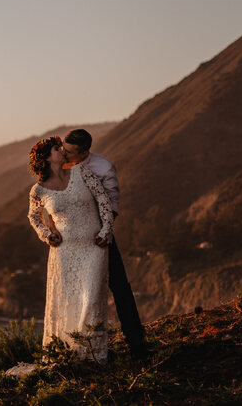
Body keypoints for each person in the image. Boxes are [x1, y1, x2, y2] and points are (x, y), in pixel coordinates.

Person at [27, 135, 115, 363]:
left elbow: (104, 200)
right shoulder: (38, 191)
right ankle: (70, 354)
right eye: (57, 149)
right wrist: (47, 234)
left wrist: (106, 230)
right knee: (70, 301)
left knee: (92, 299)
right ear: (46, 158)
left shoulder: (81, 172)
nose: (62, 151)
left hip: (94, 246)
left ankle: (94, 356)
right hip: (64, 253)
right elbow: (34, 217)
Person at [61, 128, 148, 357]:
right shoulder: (59, 165)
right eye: (63, 148)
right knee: (75, 292)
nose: (64, 154)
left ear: (84, 151)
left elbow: (112, 204)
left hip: (99, 235)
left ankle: (136, 342)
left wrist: (104, 232)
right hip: (71, 240)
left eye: (69, 152)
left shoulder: (103, 167)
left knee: (119, 286)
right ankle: (78, 346)